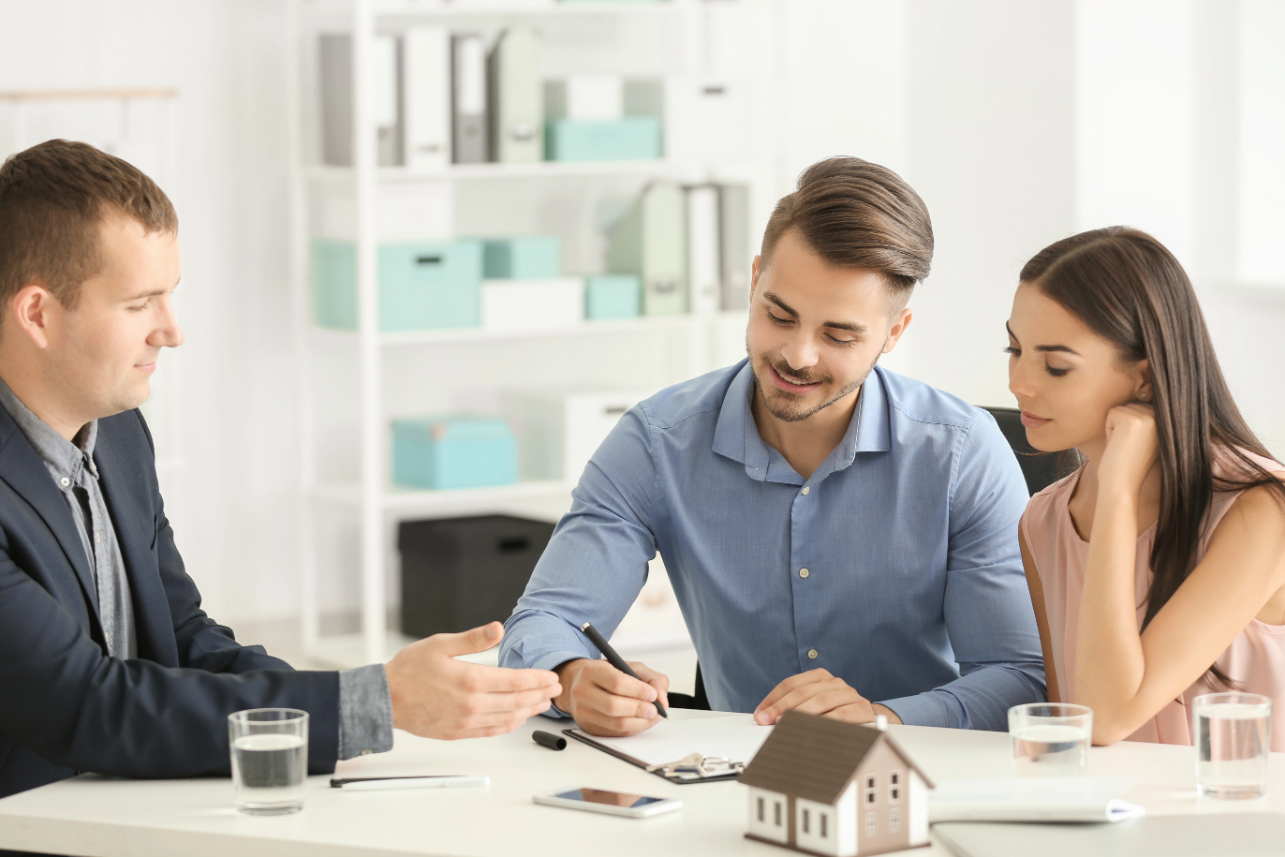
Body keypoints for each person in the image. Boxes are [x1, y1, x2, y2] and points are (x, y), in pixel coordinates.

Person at [0, 140, 561, 801]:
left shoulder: (119, 434)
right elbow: (84, 703)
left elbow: (181, 634)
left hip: (125, 806)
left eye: (170, 296)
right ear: (38, 313)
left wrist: (347, 704)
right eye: (139, 303)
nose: (172, 331)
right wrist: (373, 701)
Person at [500, 157, 1046, 736]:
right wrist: (572, 677)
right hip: (735, 775)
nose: (797, 356)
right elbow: (544, 622)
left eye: (838, 335)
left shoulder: (962, 454)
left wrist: (882, 718)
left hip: (922, 768)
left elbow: (1019, 678)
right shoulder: (658, 442)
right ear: (755, 279)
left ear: (894, 333)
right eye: (779, 315)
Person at [1008, 226, 1285, 748]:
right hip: (1112, 801)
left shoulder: (1262, 509)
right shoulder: (1043, 521)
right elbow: (1071, 733)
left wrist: (1117, 490)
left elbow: (1108, 716)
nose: (1018, 383)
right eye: (1014, 349)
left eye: (1056, 366)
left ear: (1146, 379)